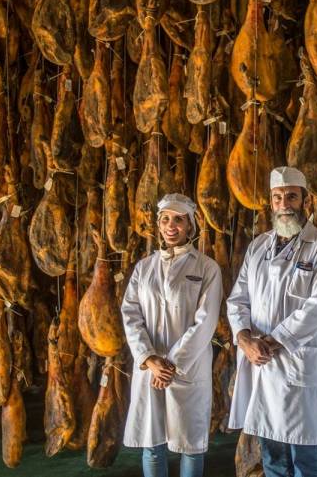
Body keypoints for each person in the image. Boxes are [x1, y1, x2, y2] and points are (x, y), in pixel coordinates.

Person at [227, 166, 317, 477]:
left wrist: (271, 341)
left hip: (296, 364)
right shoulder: (257, 247)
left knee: (306, 459)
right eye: (278, 197)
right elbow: (238, 300)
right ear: (271, 202)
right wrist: (243, 337)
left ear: (306, 201)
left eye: (291, 196)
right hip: (259, 364)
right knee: (273, 459)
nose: (284, 203)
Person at [121, 193, 222, 477]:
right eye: (165, 219)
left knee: (190, 445)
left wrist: (170, 364)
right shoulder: (144, 267)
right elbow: (130, 314)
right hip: (150, 367)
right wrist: (149, 358)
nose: (171, 226)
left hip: (187, 368)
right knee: (152, 444)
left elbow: (206, 320)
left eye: (179, 220)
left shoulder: (206, 267)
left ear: (190, 226)